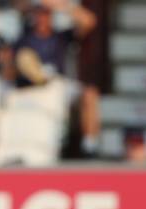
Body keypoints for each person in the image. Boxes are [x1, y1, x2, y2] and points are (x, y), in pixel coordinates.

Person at [14, 0, 98, 154]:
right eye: (39, 14)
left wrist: (59, 5)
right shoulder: (25, 38)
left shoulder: (61, 37)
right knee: (51, 97)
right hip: (35, 86)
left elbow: (89, 21)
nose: (42, 18)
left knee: (89, 94)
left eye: (45, 14)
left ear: (51, 16)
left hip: (61, 83)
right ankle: (56, 146)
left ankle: (90, 146)